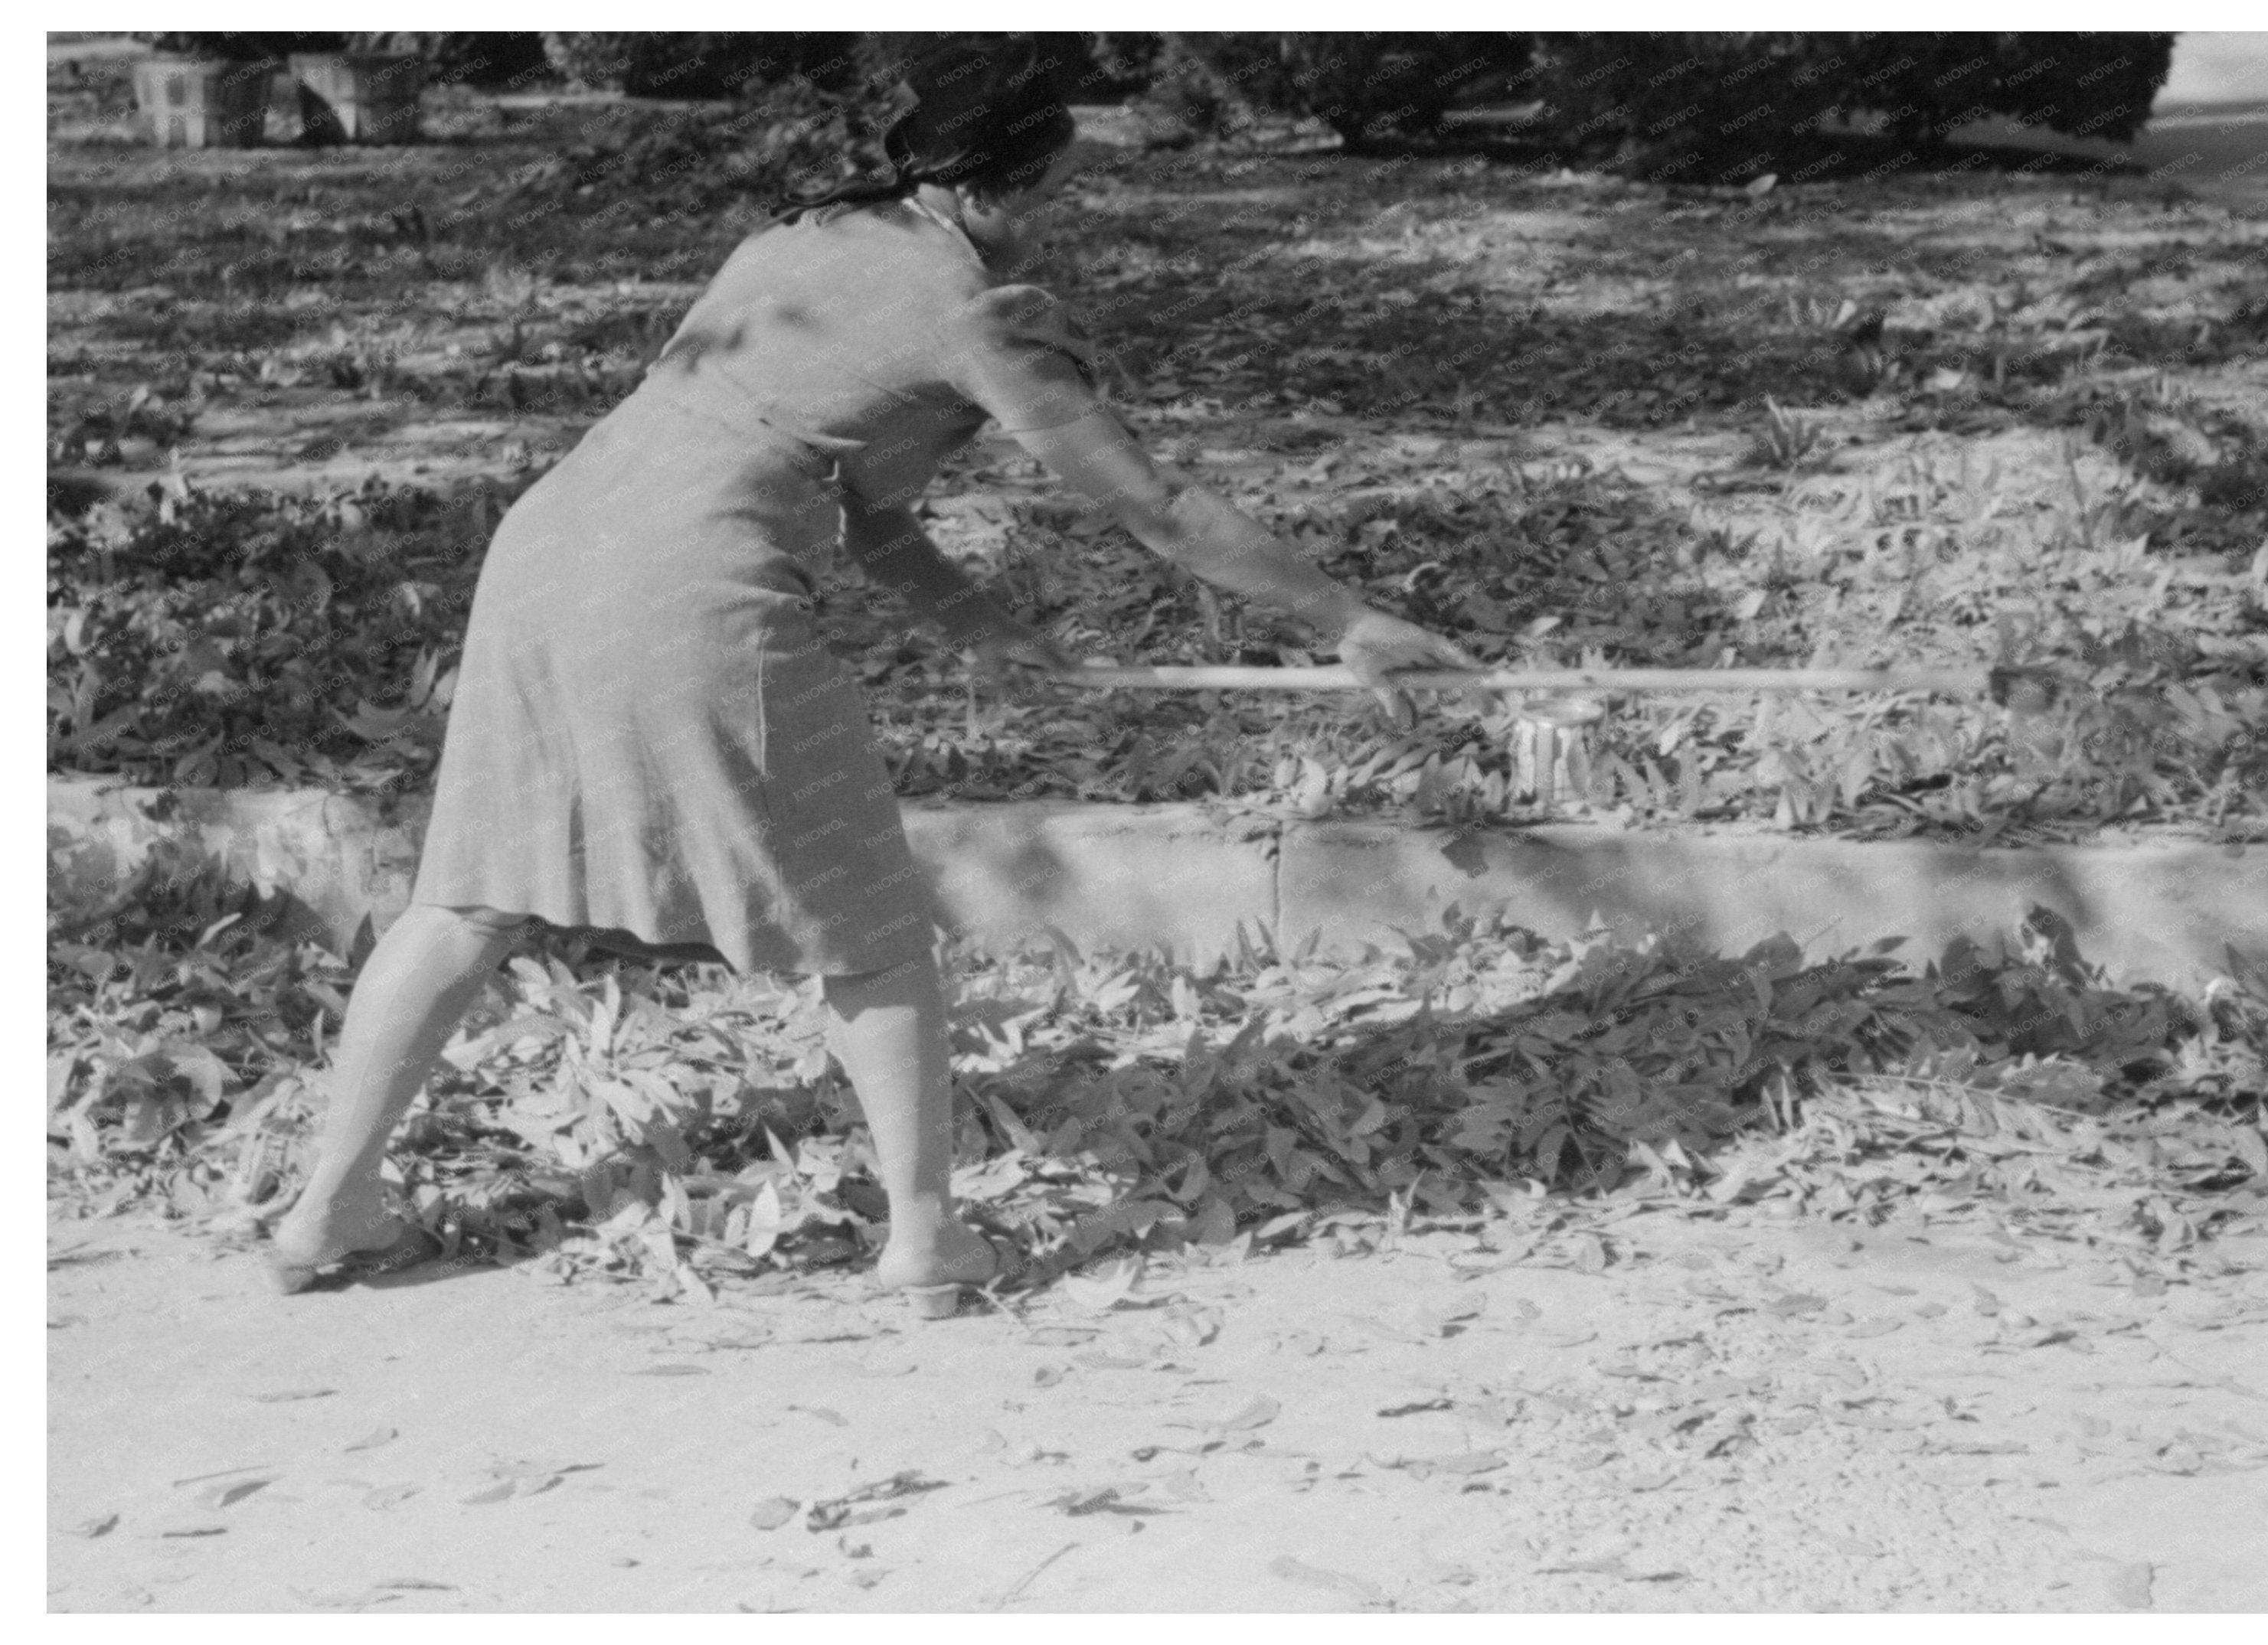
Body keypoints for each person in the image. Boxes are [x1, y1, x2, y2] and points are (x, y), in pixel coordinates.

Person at [266, 38, 1480, 1308]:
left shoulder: (795, 243)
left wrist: (978, 623)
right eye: (1054, 191)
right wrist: (1347, 616)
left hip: (546, 554)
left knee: (471, 895)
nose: (1052, 223)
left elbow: (854, 499)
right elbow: (1161, 507)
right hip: (693, 595)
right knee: (868, 927)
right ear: (998, 189)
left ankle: (327, 1211)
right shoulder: (981, 315)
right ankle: (926, 1244)